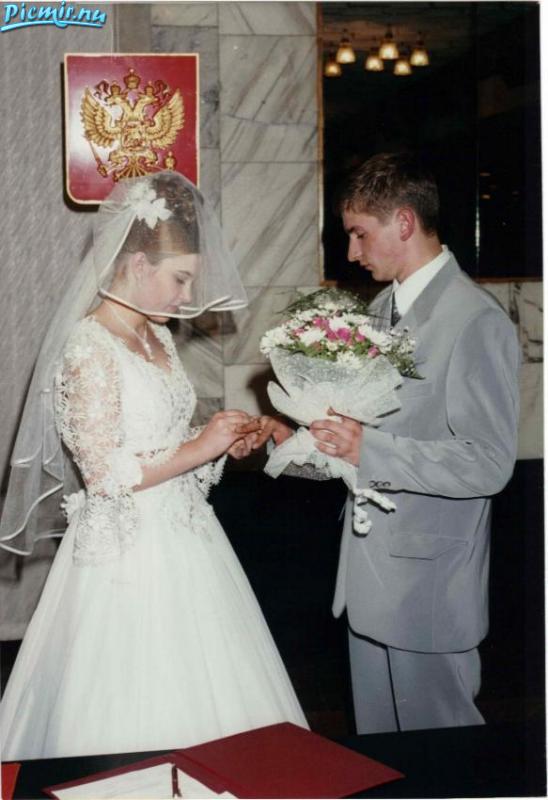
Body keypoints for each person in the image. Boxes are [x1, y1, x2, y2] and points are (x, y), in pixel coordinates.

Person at [0, 171, 307, 760]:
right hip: (126, 557)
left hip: (188, 538)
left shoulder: (156, 338)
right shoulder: (87, 347)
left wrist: (217, 440)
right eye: (180, 278)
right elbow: (105, 472)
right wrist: (200, 448)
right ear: (138, 265)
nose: (186, 296)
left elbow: (156, 442)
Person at [258, 152, 521, 733]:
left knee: (442, 756)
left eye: (359, 233)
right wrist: (293, 441)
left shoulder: (475, 320)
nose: (352, 253)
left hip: (428, 585)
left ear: (404, 222)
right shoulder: (381, 309)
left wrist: (367, 450)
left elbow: (489, 463)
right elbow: (362, 440)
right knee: (384, 755)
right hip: (369, 579)